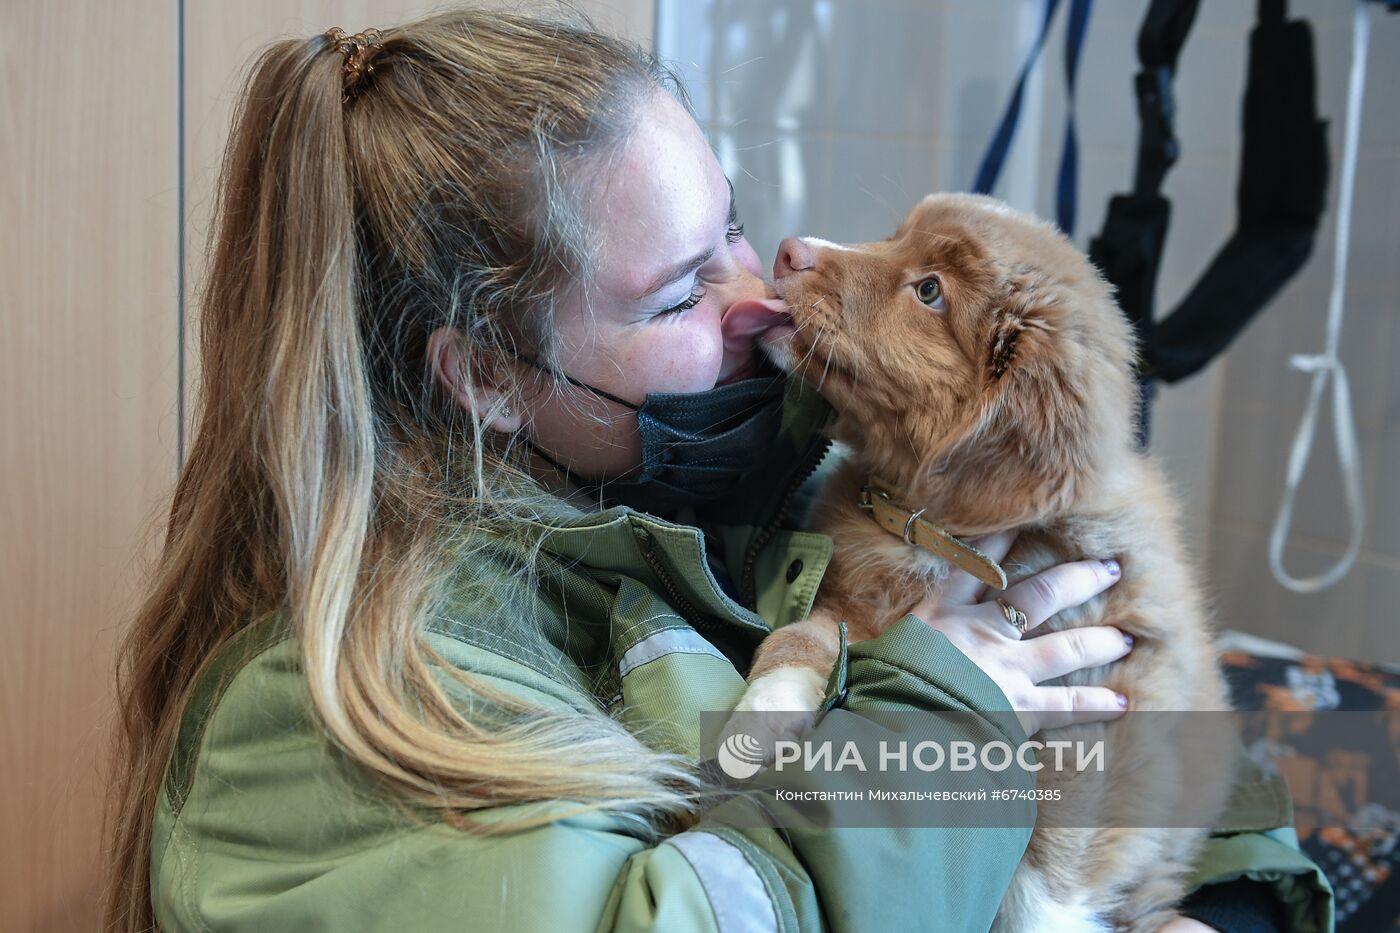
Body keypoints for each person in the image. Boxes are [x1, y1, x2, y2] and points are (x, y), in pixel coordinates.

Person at [104, 9, 1333, 933]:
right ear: (480, 373)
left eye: (729, 227)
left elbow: (1183, 751)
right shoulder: (331, 724)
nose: (759, 295)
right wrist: (937, 734)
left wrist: (1215, 915)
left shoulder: (793, 478)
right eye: (681, 288)